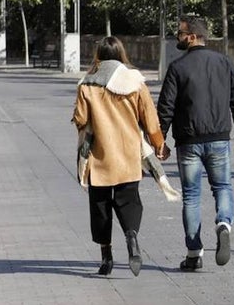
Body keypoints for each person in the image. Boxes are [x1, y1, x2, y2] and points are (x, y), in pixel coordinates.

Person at [157, 16, 234, 272]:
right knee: (222, 187)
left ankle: (194, 253)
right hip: (219, 137)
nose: (178, 37)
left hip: (188, 141)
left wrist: (159, 140)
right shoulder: (225, 63)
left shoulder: (177, 67)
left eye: (180, 33)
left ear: (193, 36)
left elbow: (165, 107)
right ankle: (224, 224)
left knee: (191, 196)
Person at [72, 36, 168, 277]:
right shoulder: (135, 81)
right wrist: (158, 145)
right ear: (121, 54)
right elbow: (150, 119)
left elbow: (81, 119)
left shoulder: (87, 84)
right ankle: (132, 236)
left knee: (100, 206)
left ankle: (106, 258)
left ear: (98, 56)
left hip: (100, 155)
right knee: (129, 200)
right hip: (128, 154)